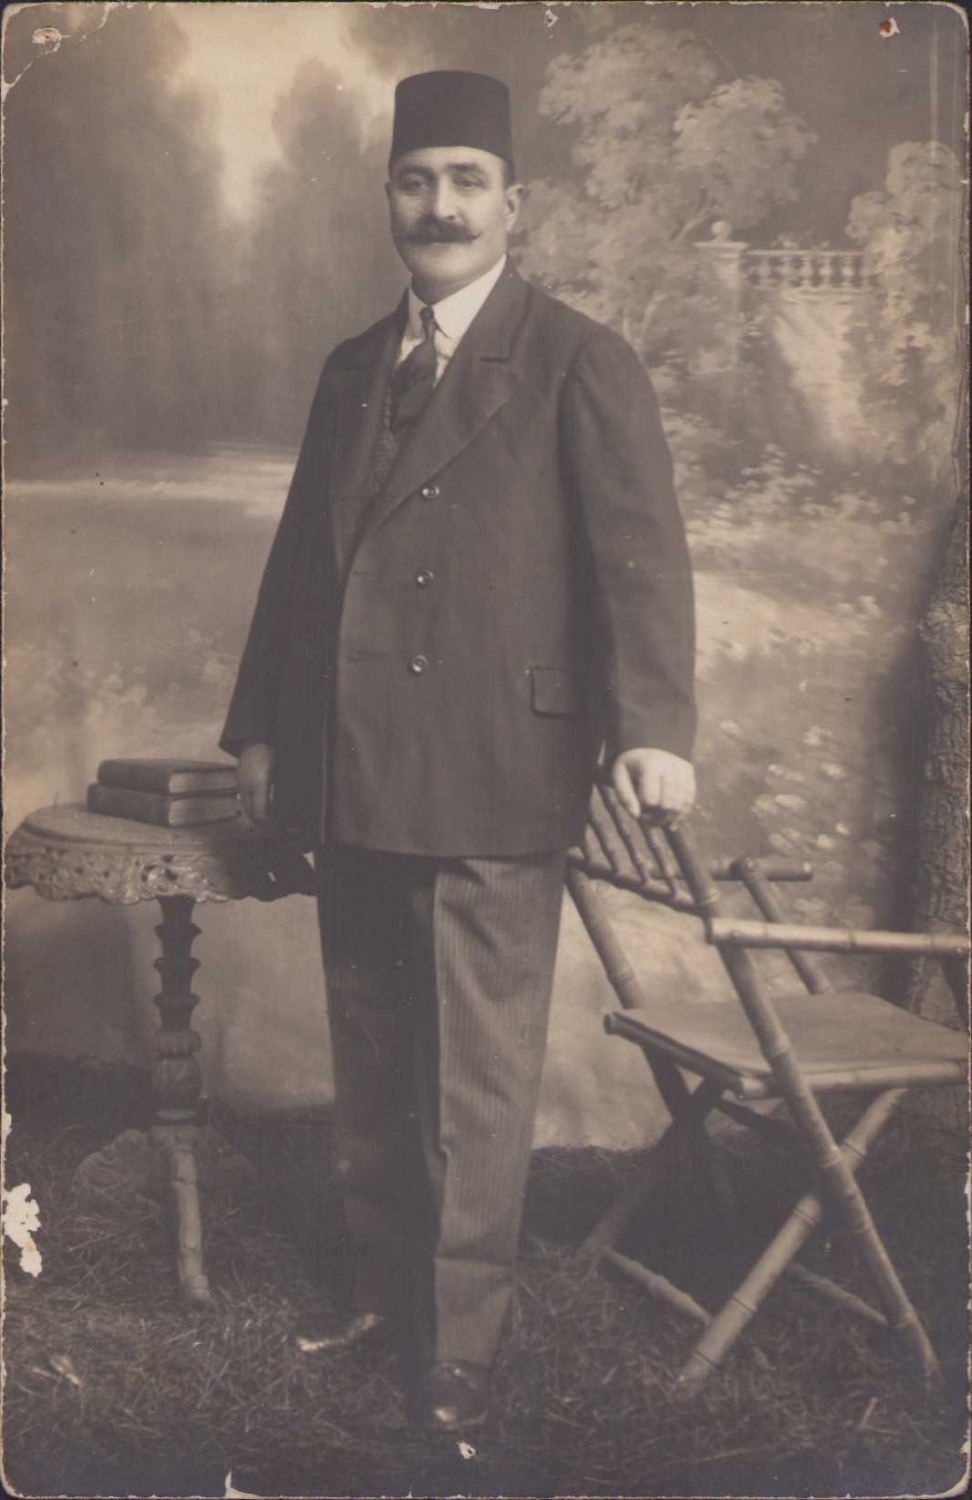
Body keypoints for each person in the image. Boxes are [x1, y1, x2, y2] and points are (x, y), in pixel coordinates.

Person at [221, 70, 696, 1432]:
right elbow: (299, 567)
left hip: (494, 763)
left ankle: (462, 1344)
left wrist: (655, 728)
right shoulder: (353, 368)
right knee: (375, 1042)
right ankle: (384, 1291)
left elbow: (640, 560)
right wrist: (261, 729)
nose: (440, 206)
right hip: (352, 760)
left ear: (514, 205)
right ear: (389, 196)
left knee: (475, 1076)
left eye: (467, 183)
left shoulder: (577, 358)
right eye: (417, 181)